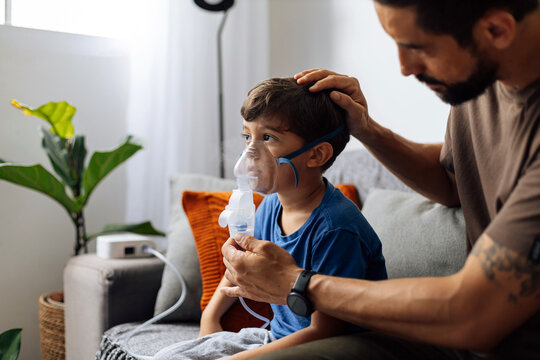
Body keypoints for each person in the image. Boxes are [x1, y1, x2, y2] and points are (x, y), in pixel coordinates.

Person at [221, 1, 540, 359]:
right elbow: (454, 182)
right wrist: (366, 129)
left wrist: (297, 284)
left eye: (419, 47)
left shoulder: (334, 224)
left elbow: (476, 313)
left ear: (497, 30)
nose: (405, 68)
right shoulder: (478, 82)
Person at [153, 78, 387, 360]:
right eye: (247, 137)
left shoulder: (336, 228)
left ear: (316, 154)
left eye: (267, 138)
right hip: (278, 337)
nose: (251, 153)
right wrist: (210, 318)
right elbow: (238, 267)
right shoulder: (269, 206)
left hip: (336, 347)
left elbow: (326, 330)